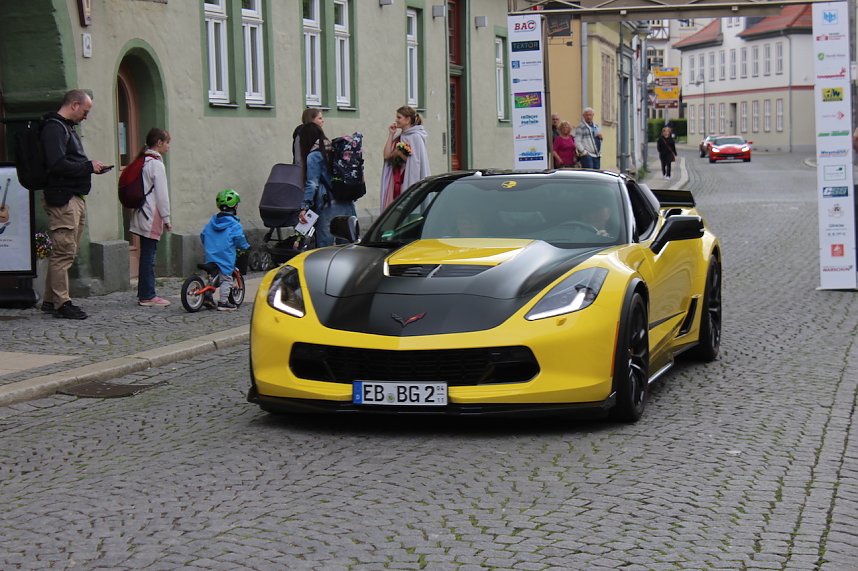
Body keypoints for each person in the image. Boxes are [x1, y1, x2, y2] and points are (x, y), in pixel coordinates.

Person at [40, 89, 111, 320]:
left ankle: (50, 301)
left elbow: (69, 162)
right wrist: (87, 167)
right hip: (63, 199)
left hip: (74, 197)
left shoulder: (66, 128)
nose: (86, 116)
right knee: (63, 253)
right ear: (74, 105)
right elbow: (57, 164)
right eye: (85, 111)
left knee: (66, 251)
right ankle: (62, 304)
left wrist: (91, 167)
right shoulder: (54, 128)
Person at [129, 128, 172, 307]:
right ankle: (148, 295)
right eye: (167, 142)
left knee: (146, 253)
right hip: (151, 214)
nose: (168, 146)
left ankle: (144, 293)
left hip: (141, 212)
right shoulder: (156, 164)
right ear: (159, 143)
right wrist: (167, 218)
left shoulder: (143, 160)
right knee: (149, 256)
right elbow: (162, 195)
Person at [298, 122, 356, 248]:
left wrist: (304, 207)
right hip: (347, 202)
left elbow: (312, 184)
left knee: (325, 248)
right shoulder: (335, 149)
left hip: (329, 205)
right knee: (347, 247)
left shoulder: (314, 155)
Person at [200, 189, 251, 312]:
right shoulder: (235, 225)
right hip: (225, 257)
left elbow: (203, 235)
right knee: (226, 279)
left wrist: (210, 246)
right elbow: (239, 239)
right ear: (235, 206)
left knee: (213, 277)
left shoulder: (212, 222)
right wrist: (245, 247)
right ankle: (223, 302)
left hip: (211, 255)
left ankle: (207, 296)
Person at [380, 105, 430, 210]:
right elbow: (386, 155)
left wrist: (400, 154)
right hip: (395, 181)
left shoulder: (416, 137)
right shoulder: (400, 136)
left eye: (399, 117)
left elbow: (416, 164)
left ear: (407, 120)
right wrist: (391, 134)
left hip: (406, 180)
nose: (396, 120)